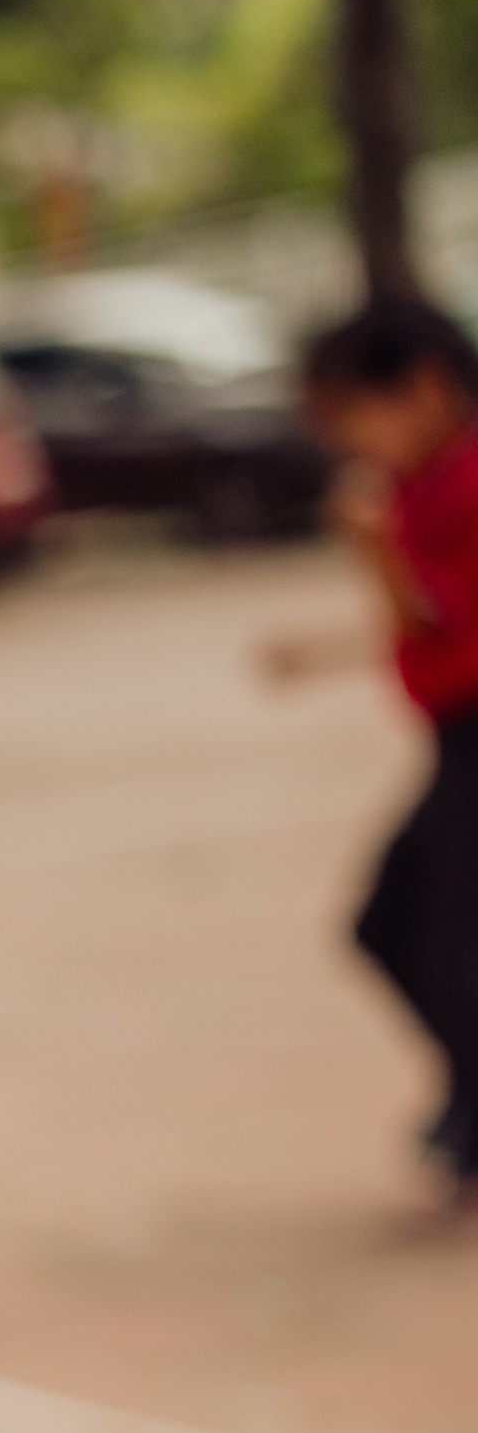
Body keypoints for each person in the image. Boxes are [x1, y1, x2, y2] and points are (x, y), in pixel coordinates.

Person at [272, 296, 478, 1203]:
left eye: (357, 418)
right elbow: (418, 625)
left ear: (426, 389)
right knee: (390, 924)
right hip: (456, 738)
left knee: (447, 941)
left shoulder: (466, 480)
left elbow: (440, 613)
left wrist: (377, 554)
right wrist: (326, 647)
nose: (352, 447)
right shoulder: (417, 487)